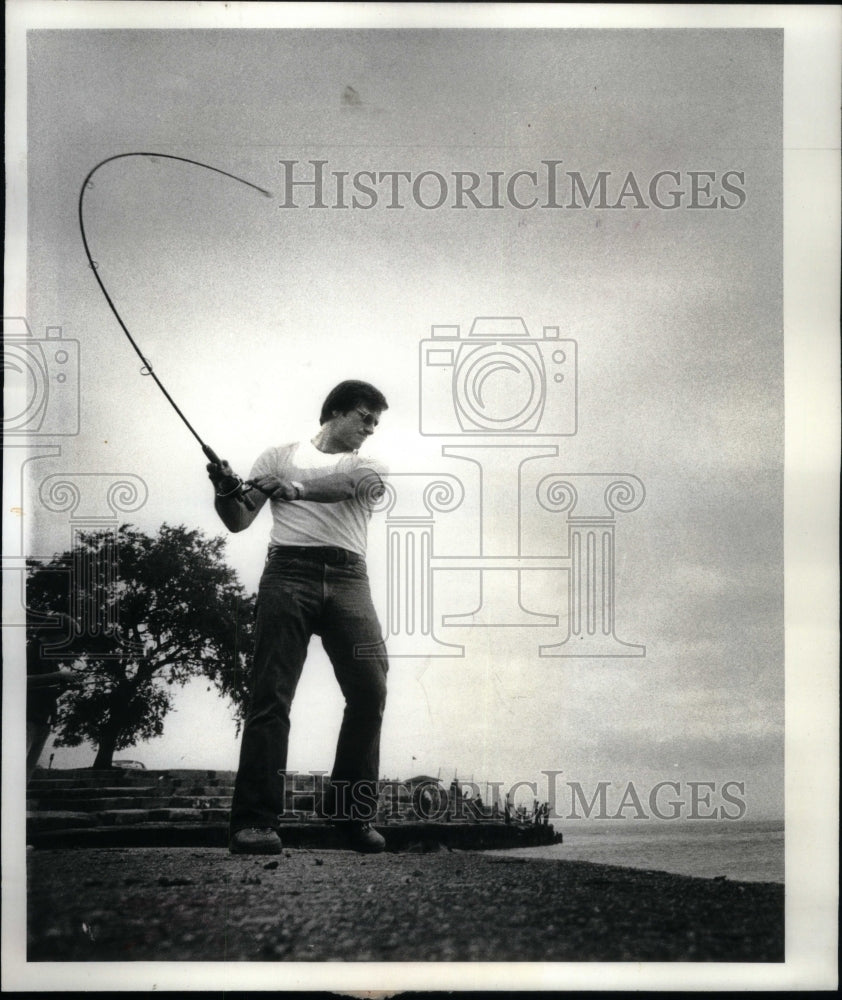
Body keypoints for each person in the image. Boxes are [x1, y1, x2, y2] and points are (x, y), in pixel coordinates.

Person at [208, 380, 390, 855]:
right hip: (287, 572)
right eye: (364, 417)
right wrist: (224, 487)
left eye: (375, 422)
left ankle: (350, 818)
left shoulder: (367, 465)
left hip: (351, 577)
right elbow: (238, 518)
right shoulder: (276, 456)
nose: (371, 429)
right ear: (335, 413)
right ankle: (253, 822)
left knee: (370, 689)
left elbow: (349, 487)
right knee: (271, 693)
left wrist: (296, 487)